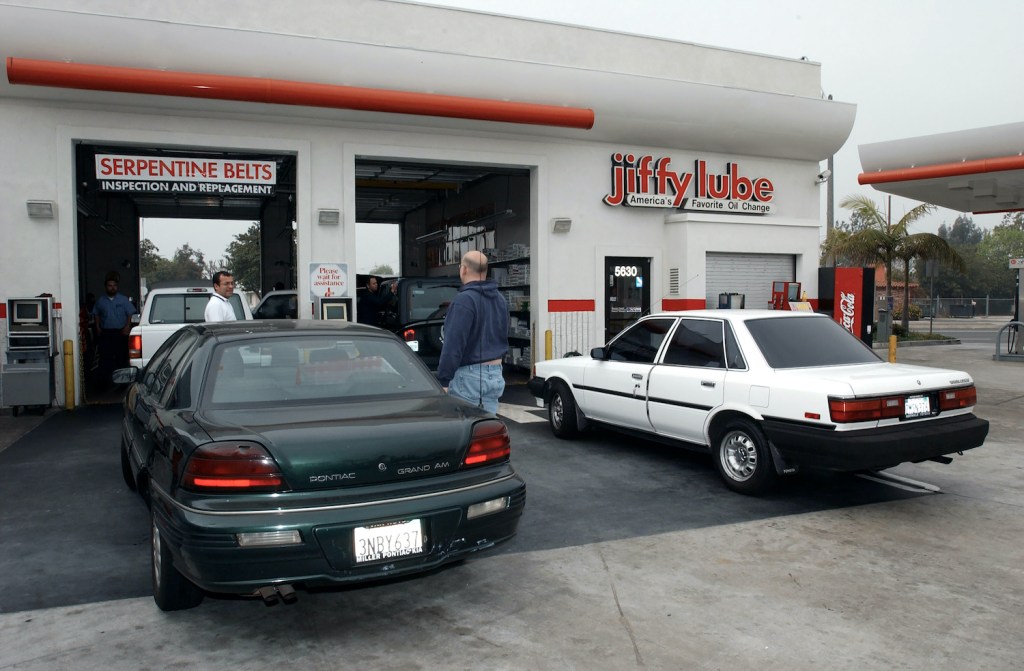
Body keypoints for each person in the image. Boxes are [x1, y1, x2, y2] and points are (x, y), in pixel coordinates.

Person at [437, 250, 509, 414]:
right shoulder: (500, 300)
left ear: (463, 269)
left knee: (466, 432)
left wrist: (444, 381)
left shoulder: (464, 300)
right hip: (496, 374)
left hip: (469, 376)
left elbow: (453, 345)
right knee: (486, 432)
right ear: (485, 271)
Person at [91, 272, 137, 387]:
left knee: (121, 358)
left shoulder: (123, 300)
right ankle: (105, 384)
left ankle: (122, 385)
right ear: (106, 287)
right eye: (110, 285)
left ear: (117, 287)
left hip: (120, 333)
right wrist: (97, 327)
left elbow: (130, 313)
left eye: (114, 285)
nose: (112, 288)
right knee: (105, 359)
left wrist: (127, 326)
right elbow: (96, 314)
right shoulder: (101, 301)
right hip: (106, 333)